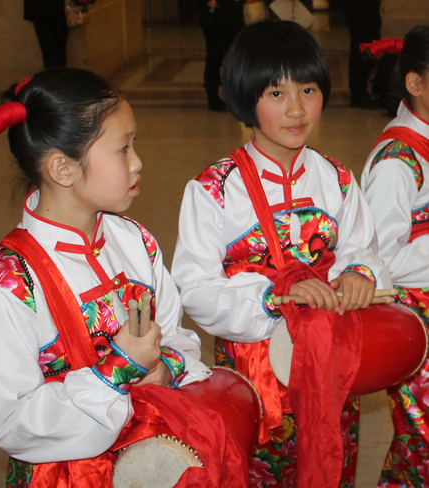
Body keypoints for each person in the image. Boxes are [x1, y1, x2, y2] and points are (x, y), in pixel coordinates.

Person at [0, 68, 213, 486]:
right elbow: (11, 422)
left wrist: (164, 367)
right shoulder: (9, 284)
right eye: (122, 149)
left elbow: (177, 334)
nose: (137, 162)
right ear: (63, 169)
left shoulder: (134, 241)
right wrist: (117, 371)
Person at [172, 20, 391, 488]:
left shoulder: (337, 179)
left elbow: (364, 249)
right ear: (244, 97)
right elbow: (194, 287)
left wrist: (358, 274)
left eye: (308, 89)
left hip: (331, 372)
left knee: (332, 463)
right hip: (254, 381)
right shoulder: (214, 189)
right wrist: (272, 298)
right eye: (276, 94)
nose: (296, 109)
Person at [361, 26, 429, 488]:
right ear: (415, 84)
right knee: (422, 439)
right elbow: (377, 260)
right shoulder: (396, 161)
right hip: (416, 325)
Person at [197, 0, 245, 111]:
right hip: (214, 22)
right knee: (214, 59)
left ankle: (236, 96)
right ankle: (213, 97)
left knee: (235, 60)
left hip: (234, 19)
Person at [24, 0, 69, 69]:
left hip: (41, 9)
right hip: (53, 9)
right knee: (56, 50)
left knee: (51, 50)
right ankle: (57, 75)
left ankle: (54, 75)